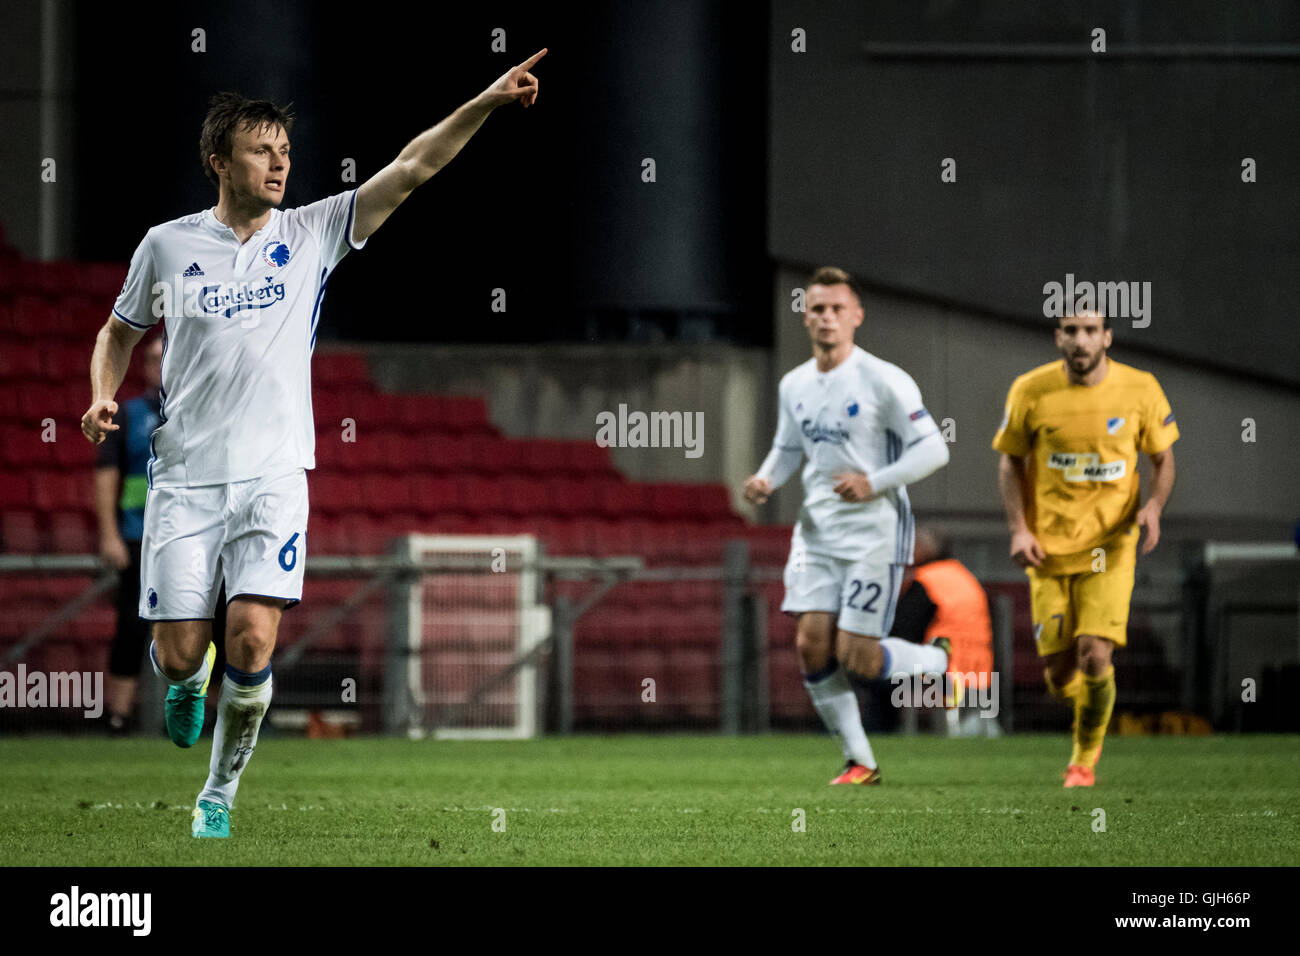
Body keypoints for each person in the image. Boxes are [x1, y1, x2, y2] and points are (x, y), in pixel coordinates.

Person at [80, 49, 546, 837]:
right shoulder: (166, 245)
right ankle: (183, 682)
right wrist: (99, 393)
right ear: (218, 159)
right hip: (186, 480)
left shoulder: (314, 230)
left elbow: (411, 167)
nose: (279, 163)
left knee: (254, 639)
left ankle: (217, 798)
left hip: (273, 477)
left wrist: (487, 101)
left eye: (285, 152)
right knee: (185, 654)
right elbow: (118, 333)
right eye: (262, 150)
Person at [743, 266, 951, 785]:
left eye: (837, 309)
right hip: (816, 531)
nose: (827, 318)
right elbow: (789, 447)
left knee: (856, 657)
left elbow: (934, 449)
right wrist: (766, 480)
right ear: (805, 315)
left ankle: (935, 662)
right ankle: (861, 761)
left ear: (856, 316)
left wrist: (875, 481)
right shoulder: (794, 383)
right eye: (817, 309)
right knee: (812, 645)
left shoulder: (884, 379)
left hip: (873, 531)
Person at [993, 309, 1177, 788]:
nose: (1080, 340)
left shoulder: (1141, 389)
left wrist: (1153, 509)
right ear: (1058, 337)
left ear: (1107, 337)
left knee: (1095, 653)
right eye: (1071, 330)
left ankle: (1083, 760)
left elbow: (1163, 460)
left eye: (1090, 330)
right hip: (1048, 551)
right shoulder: (1029, 390)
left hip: (1111, 547)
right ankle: (1094, 709)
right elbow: (1010, 463)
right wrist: (1019, 529)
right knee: (1058, 674)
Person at [888, 526, 994, 736]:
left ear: (925, 549)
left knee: (875, 669)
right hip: (979, 665)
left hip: (943, 665)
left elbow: (905, 629)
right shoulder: (962, 575)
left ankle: (884, 732)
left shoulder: (927, 580)